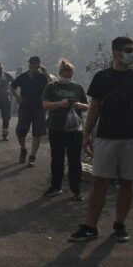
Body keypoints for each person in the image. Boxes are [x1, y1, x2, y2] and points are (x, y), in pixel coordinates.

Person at [69, 37, 133, 243]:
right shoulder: (102, 77)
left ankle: (120, 225)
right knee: (99, 182)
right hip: (105, 137)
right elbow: (94, 109)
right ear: (115, 52)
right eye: (128, 50)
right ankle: (90, 227)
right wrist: (86, 135)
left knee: (127, 182)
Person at [42, 59, 89, 201]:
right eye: (65, 75)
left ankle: (77, 190)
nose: (67, 79)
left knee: (75, 160)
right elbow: (45, 105)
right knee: (57, 158)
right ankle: (56, 186)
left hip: (75, 129)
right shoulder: (51, 87)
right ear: (60, 73)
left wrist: (80, 105)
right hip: (56, 128)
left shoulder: (78, 88)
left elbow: (88, 106)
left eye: (70, 76)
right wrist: (59, 104)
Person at [11, 56, 49, 167]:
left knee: (37, 133)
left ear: (38, 65)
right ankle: (23, 149)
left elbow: (52, 85)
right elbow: (12, 86)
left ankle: (32, 156)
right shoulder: (22, 77)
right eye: (31, 64)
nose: (32, 66)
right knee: (20, 132)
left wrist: (46, 73)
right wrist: (17, 96)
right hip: (24, 108)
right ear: (29, 65)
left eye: (35, 64)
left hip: (39, 109)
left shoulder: (42, 77)